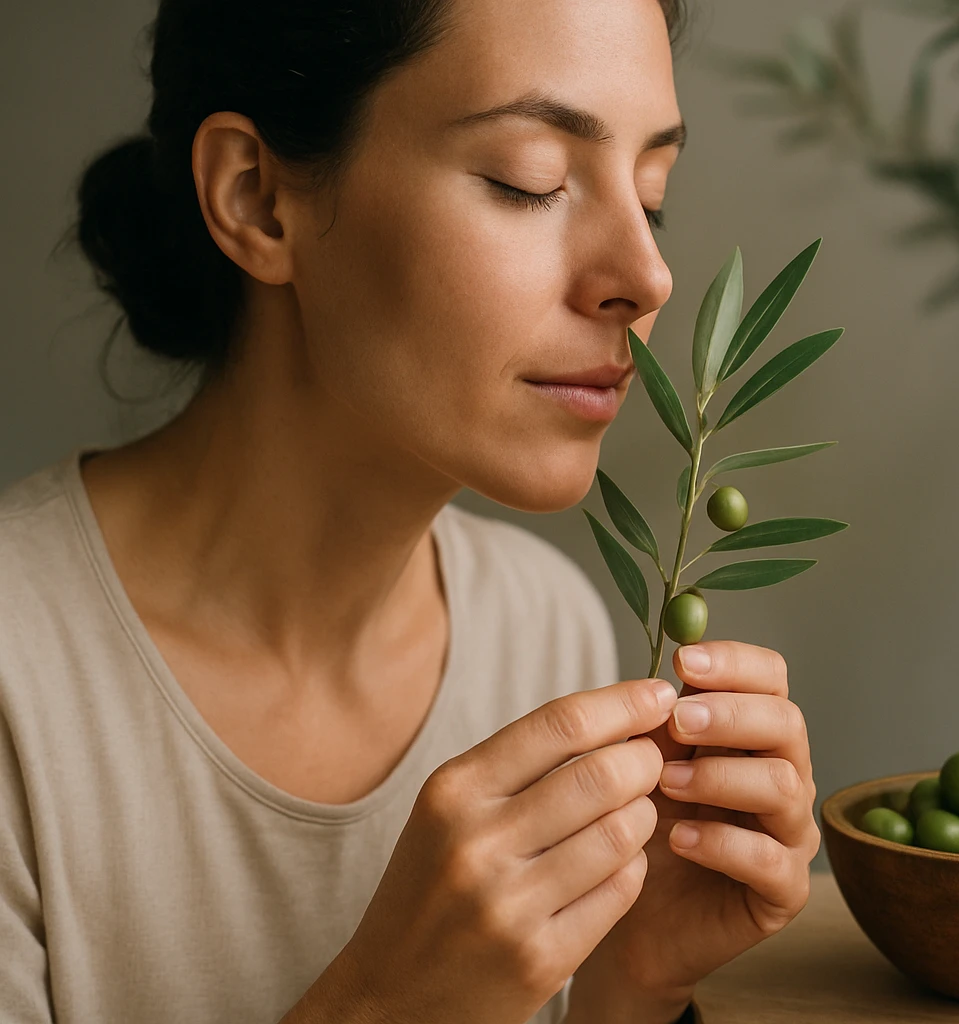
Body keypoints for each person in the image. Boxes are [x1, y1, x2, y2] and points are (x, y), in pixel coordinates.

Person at [0, 1, 820, 1021]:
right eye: (530, 180)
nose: (647, 278)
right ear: (257, 199)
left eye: (650, 197)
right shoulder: (21, 686)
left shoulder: (544, 630)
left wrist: (633, 983)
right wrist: (385, 1006)